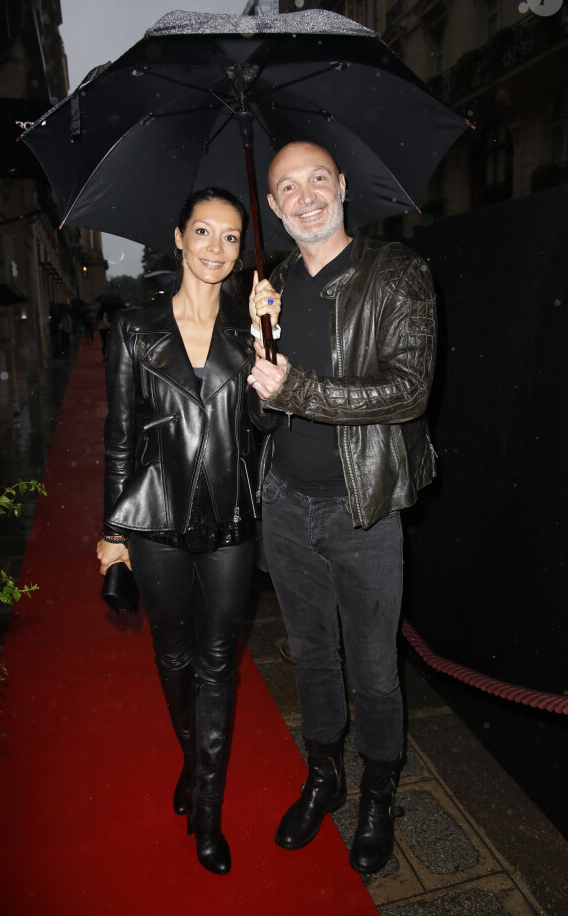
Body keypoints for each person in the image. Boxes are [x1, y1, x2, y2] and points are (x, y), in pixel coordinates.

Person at [248, 141, 437, 874]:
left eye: (315, 180)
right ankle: (324, 773)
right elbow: (262, 416)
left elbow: (408, 389)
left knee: (375, 667)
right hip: (286, 506)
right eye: (285, 187)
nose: (303, 197)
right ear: (271, 205)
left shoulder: (398, 273)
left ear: (343, 187)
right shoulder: (272, 284)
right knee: (312, 657)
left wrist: (297, 390)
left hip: (364, 510)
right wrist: (256, 362)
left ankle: (379, 790)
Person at [96, 187, 281, 876]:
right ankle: (196, 760)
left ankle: (207, 808)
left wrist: (271, 343)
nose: (216, 247)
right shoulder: (135, 328)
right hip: (158, 516)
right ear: (178, 237)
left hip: (232, 514)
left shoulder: (249, 323)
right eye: (203, 231)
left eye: (231, 237)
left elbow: (265, 428)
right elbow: (118, 438)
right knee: (173, 658)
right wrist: (113, 531)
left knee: (216, 663)